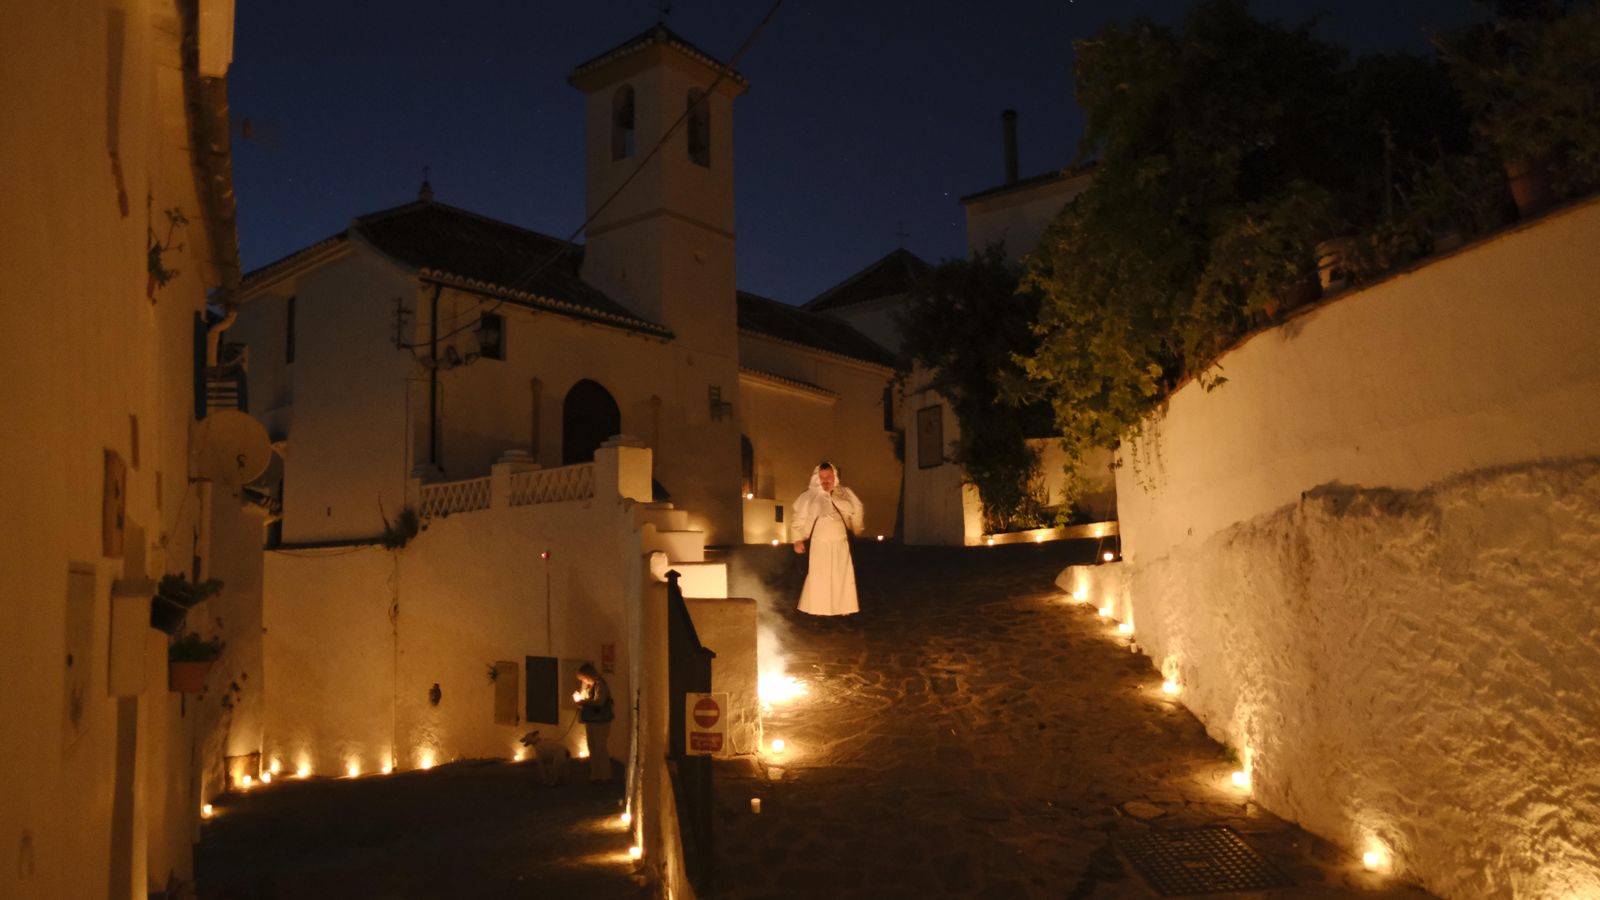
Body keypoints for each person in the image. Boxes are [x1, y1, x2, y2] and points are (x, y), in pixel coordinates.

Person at [791, 461, 864, 618]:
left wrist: (856, 529)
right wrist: (797, 540)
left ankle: (843, 607)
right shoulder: (808, 497)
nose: (825, 480)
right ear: (817, 478)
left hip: (840, 543)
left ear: (834, 476)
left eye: (828, 477)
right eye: (822, 477)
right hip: (819, 544)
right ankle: (819, 609)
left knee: (841, 576)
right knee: (820, 577)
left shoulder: (845, 493)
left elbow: (856, 511)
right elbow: (799, 518)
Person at [572, 663, 614, 783]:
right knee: (592, 747)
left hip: (601, 720)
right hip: (590, 719)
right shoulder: (587, 685)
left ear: (588, 674)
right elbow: (586, 697)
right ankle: (596, 774)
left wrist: (583, 701)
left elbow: (599, 701)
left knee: (600, 746)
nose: (583, 681)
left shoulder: (601, 684)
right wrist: (580, 697)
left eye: (583, 678)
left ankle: (605, 775)